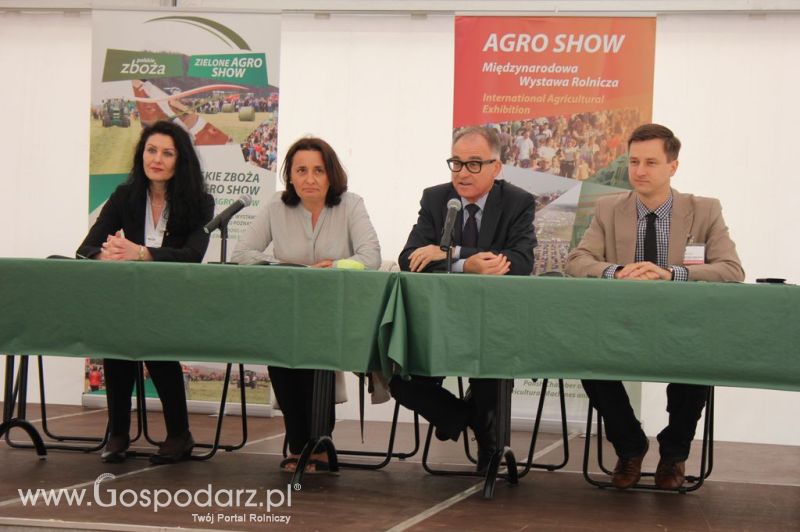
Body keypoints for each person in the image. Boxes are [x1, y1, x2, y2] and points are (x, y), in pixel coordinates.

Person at [566, 123, 744, 489]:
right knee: (587, 361)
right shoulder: (608, 208)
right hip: (620, 325)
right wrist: (616, 271)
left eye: (650, 162)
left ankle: (673, 455)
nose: (640, 171)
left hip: (683, 326)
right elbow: (577, 260)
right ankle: (630, 447)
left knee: (696, 366)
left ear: (673, 167)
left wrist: (671, 274)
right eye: (633, 162)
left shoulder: (704, 210)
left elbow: (731, 270)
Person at [391, 126, 537, 472]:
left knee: (490, 376)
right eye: (456, 163)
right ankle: (466, 418)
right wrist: (466, 263)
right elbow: (409, 257)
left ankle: (489, 450)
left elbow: (519, 261)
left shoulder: (518, 201)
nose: (462, 173)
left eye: (474, 164)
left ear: (496, 168)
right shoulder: (436, 198)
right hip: (439, 325)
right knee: (401, 383)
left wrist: (456, 254)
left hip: (492, 326)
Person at [232, 136, 381, 473]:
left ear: (331, 175)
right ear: (291, 175)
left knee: (315, 348)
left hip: (337, 312)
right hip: (288, 310)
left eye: (318, 170)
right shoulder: (276, 206)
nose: (310, 179)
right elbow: (242, 254)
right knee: (281, 350)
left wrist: (336, 265)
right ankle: (301, 443)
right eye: (301, 170)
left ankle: (318, 442)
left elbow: (370, 258)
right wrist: (283, 268)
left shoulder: (351, 204)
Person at [77, 120, 214, 464]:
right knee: (118, 340)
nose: (157, 159)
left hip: (174, 300)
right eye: (151, 151)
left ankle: (179, 434)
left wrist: (141, 252)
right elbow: (85, 248)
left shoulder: (200, 202)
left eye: (167, 153)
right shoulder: (125, 196)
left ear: (180, 160)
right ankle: (118, 432)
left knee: (156, 342)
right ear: (141, 156)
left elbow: (192, 256)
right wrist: (104, 254)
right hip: (128, 299)